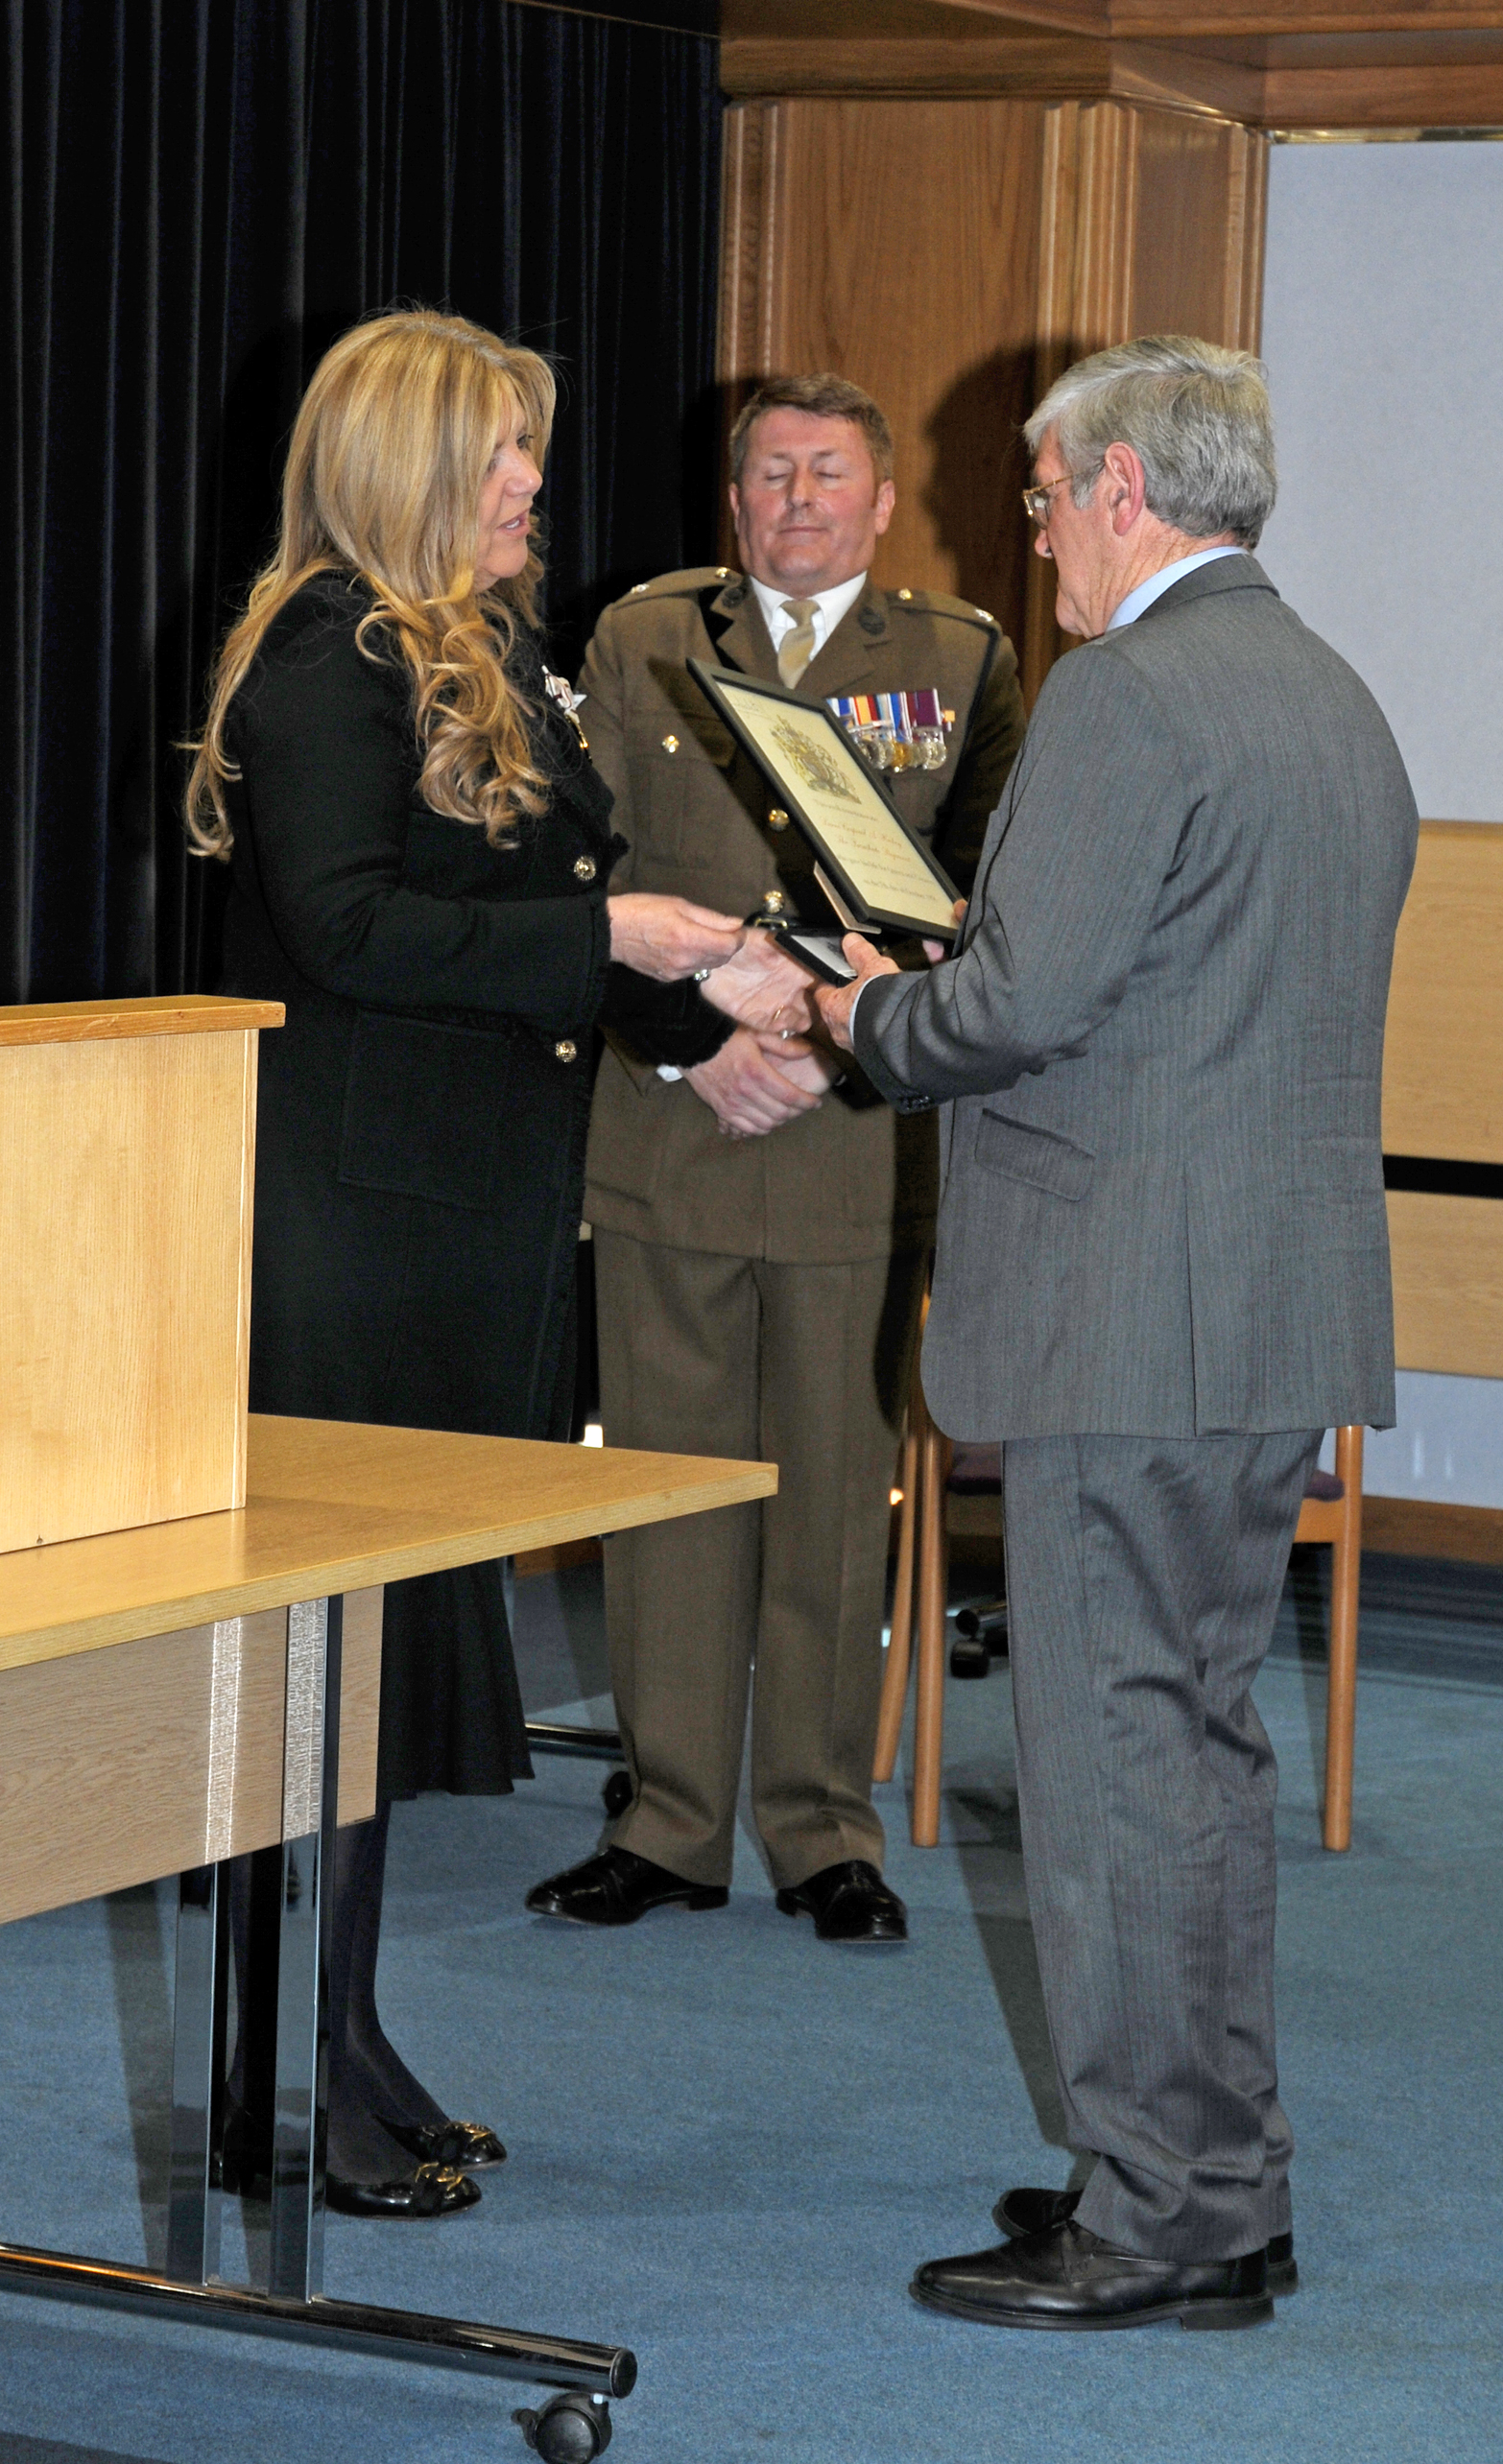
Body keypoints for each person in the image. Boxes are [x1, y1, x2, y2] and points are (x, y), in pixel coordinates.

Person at [816, 336, 1418, 2325]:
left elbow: (1013, 1010)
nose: (1039, 533)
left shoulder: (1128, 695)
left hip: (1125, 1324)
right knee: (1193, 1751)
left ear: (1128, 491)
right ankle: (1209, 2180)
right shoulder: (1326, 691)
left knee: (1116, 1767)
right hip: (1258, 1314)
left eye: (1049, 497)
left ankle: (1165, 2221)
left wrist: (865, 1014)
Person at [187, 308, 799, 2216]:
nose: (535, 481)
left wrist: (725, 1019)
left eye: (531, 446)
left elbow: (570, 910)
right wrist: (626, 947)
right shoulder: (329, 652)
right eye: (499, 453)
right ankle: (299, 2073)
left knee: (371, 1669)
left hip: (459, 1226)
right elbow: (354, 931)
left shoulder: (482, 649)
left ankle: (342, 2041)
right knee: (331, 1668)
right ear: (406, 470)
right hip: (356, 1232)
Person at [527, 374, 1026, 1947]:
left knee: (828, 1498)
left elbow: (988, 894)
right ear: (732, 500)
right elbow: (584, 871)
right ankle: (667, 1823)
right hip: (673, 1120)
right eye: (769, 475)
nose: (797, 499)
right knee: (669, 1491)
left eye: (827, 474)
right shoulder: (644, 637)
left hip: (848, 1138)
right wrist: (699, 1047)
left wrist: (823, 1048)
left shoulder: (958, 658)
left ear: (881, 504)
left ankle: (822, 1831)